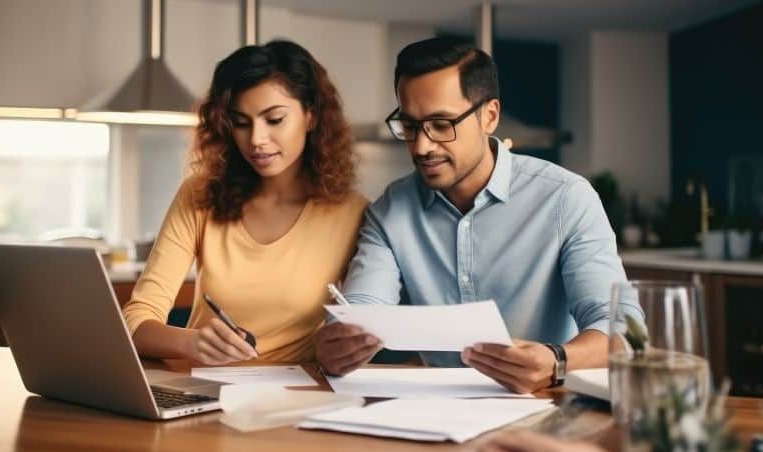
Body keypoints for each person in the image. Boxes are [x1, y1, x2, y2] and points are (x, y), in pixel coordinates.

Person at [315, 37, 642, 393]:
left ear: (490, 116)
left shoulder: (566, 198)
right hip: (433, 411)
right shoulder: (391, 210)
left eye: (441, 124)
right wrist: (337, 345)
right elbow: (364, 308)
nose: (421, 146)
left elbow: (625, 331)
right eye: (409, 126)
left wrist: (557, 360)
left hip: (546, 403)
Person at [123, 40, 367, 365]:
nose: (256, 140)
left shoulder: (352, 213)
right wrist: (192, 343)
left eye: (274, 119)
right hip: (196, 393)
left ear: (311, 116)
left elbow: (360, 327)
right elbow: (137, 319)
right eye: (241, 122)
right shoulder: (199, 195)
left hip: (291, 399)